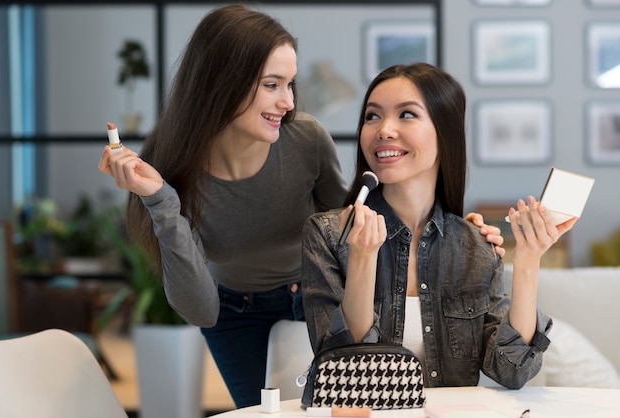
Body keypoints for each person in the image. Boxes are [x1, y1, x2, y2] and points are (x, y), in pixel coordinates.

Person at [98, 5, 505, 408]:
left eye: (290, 85)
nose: (288, 102)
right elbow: (202, 310)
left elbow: (352, 222)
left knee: (329, 408)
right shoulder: (166, 166)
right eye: (272, 85)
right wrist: (160, 200)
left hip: (311, 295)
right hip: (231, 312)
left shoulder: (304, 139)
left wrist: (452, 233)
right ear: (223, 82)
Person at [301, 62, 577, 390]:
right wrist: (362, 258)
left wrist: (529, 260)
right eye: (372, 116)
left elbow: (511, 372)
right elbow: (347, 373)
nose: (384, 130)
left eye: (406, 114)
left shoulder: (477, 247)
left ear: (444, 132)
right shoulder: (328, 235)